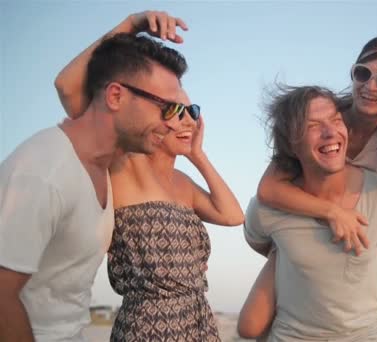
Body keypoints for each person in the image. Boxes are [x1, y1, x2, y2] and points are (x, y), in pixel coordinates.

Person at [54, 11, 245, 341]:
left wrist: (198, 156)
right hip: (148, 327)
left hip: (198, 320)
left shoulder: (183, 184)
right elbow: (67, 86)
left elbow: (233, 215)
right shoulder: (126, 162)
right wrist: (131, 25)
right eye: (172, 108)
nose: (186, 120)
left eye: (192, 110)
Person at [238, 37, 377, 341]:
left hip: (367, 225)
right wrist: (330, 214)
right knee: (249, 326)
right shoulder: (326, 115)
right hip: (316, 209)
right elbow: (269, 189)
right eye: (363, 73)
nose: (372, 86)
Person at [0, 32, 186, 341]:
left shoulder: (107, 163)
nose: (172, 123)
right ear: (115, 97)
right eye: (165, 107)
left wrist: (131, 26)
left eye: (177, 111)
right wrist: (130, 22)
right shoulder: (41, 173)